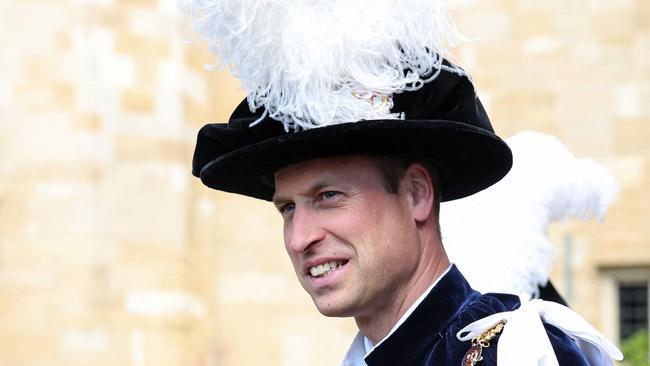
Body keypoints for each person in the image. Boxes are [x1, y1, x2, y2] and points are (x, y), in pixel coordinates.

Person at [183, 1, 622, 364]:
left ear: (416, 194)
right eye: (288, 208)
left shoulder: (512, 355)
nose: (300, 238)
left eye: (329, 196)